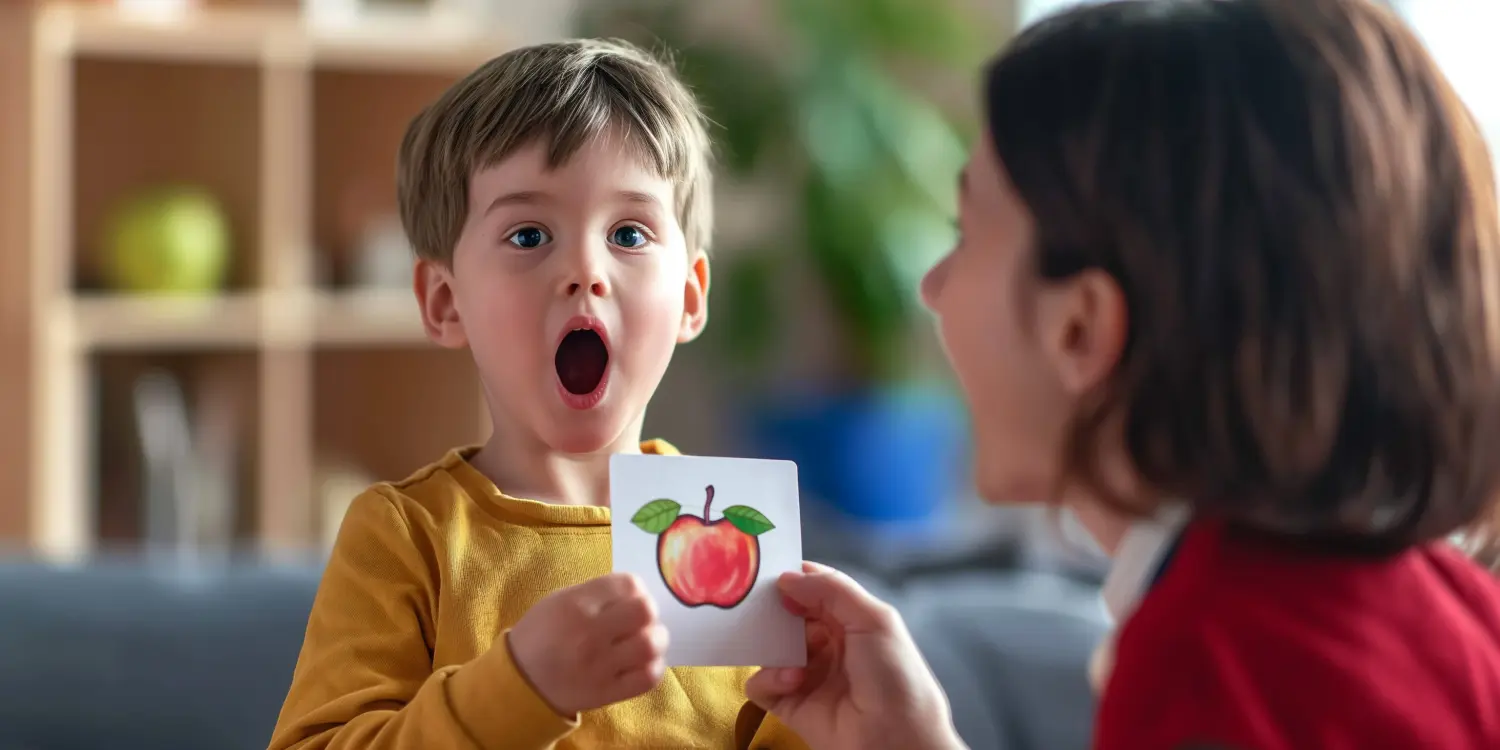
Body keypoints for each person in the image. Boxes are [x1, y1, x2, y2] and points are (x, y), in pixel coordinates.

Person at [744, 1, 1500, 748]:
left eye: (965, 235)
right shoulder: (1455, 603)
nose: (931, 288)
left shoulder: (1202, 661)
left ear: (1082, 328)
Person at [267, 39, 802, 749]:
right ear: (445, 302)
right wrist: (520, 688)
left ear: (690, 298)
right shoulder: (405, 538)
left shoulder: (742, 542)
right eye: (528, 234)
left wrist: (833, 717)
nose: (585, 269)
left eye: (629, 232)